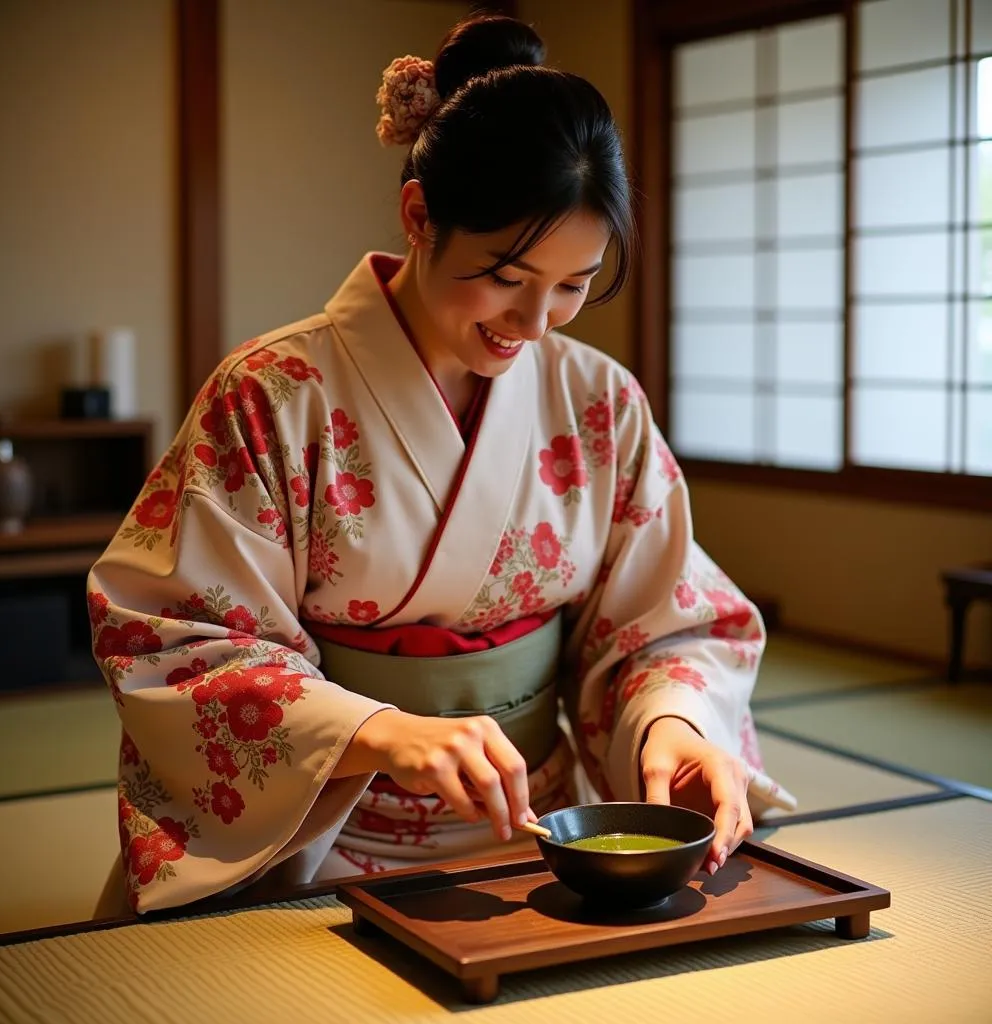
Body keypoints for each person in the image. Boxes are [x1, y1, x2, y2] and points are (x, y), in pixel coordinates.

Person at [87, 14, 795, 914]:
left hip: (547, 837)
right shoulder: (272, 395)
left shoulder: (599, 401)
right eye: (505, 275)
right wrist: (378, 731)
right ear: (419, 215)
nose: (533, 325)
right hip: (323, 840)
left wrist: (675, 723)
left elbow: (667, 622)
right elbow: (174, 640)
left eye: (573, 285)